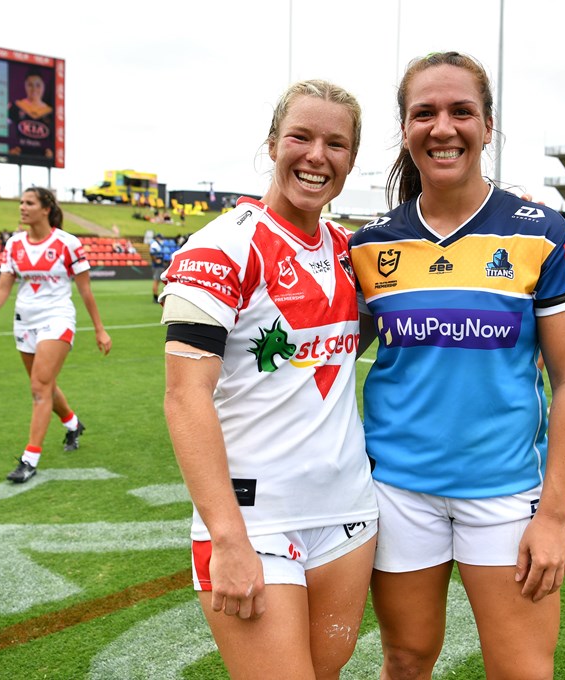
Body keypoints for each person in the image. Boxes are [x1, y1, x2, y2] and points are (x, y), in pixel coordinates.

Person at [349, 52, 565, 679]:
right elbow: (329, 350)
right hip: (398, 491)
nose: (443, 127)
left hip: (506, 495)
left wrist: (555, 517)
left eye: (462, 111)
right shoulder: (370, 244)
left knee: (521, 670)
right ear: (405, 130)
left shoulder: (543, 233)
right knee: (405, 659)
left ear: (489, 126)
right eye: (423, 113)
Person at [160, 80, 378, 679]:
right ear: (272, 143)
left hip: (348, 515)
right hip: (253, 523)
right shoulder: (220, 247)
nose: (316, 156)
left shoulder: (351, 254)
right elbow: (185, 399)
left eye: (336, 144)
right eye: (300, 137)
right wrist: (227, 538)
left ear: (351, 160)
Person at [0, 187, 112, 483]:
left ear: (45, 209)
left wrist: (100, 329)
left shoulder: (68, 243)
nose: (22, 207)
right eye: (21, 202)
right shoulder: (14, 244)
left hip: (57, 319)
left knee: (40, 386)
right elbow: (3, 287)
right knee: (43, 384)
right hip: (23, 321)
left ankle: (29, 459)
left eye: (29, 203)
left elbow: (85, 290)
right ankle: (73, 423)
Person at [8, 71, 55, 159]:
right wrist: (8, 149)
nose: (34, 89)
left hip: (43, 157)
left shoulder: (51, 113)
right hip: (18, 155)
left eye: (38, 85)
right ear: (25, 86)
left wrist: (53, 153)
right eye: (30, 85)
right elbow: (1, 132)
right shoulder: (15, 107)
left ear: (43, 87)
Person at [148, 233, 165, 302]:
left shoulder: (157, 244)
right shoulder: (155, 244)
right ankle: (155, 297)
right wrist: (155, 260)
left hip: (159, 265)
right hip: (157, 266)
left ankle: (157, 296)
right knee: (156, 281)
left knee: (158, 281)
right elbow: (152, 253)